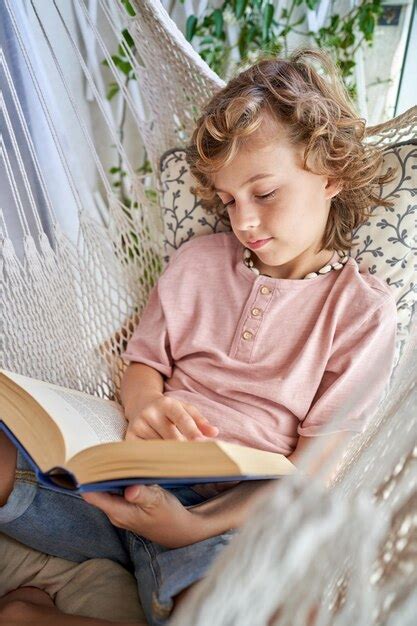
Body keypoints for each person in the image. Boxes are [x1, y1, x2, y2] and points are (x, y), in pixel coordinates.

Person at [0, 47, 398, 626]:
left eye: (263, 194)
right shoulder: (198, 262)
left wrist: (193, 526)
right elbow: (142, 364)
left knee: (245, 612)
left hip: (228, 518)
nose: (244, 223)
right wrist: (145, 409)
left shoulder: (361, 311)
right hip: (118, 482)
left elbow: (313, 473)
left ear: (330, 172)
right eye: (229, 201)